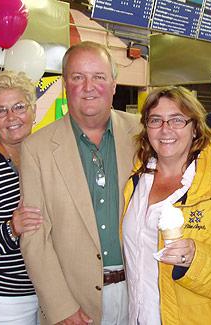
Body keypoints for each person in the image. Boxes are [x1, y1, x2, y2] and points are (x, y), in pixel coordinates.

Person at [19, 41, 141, 325]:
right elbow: (35, 237)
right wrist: (61, 306)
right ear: (65, 85)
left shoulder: (143, 132)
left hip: (139, 292)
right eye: (77, 77)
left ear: (113, 84)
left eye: (98, 77)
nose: (89, 86)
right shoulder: (37, 148)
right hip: (74, 301)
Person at [122, 86, 211, 324]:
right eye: (156, 120)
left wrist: (197, 258)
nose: (165, 129)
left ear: (195, 128)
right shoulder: (135, 181)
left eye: (177, 120)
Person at [0, 71, 43, 324]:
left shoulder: (45, 159)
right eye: (1, 110)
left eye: (18, 107)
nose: (11, 117)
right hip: (3, 301)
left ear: (34, 111)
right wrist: (11, 228)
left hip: (47, 292)